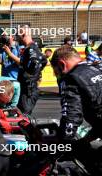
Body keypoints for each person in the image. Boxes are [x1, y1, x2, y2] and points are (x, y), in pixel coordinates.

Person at [50, 45, 102, 175]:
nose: (58, 76)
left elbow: (71, 118)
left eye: (56, 72)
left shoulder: (71, 78)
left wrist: (62, 145)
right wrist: (86, 139)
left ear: (62, 64)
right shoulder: (98, 68)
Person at [0, 25, 47, 115]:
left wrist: (34, 77)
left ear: (23, 34)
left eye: (18, 35)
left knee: (25, 116)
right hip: (24, 88)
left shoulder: (32, 48)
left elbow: (39, 62)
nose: (16, 38)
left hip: (29, 89)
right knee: (20, 115)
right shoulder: (27, 49)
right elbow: (43, 60)